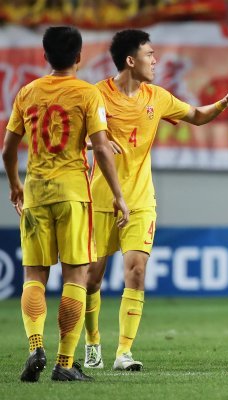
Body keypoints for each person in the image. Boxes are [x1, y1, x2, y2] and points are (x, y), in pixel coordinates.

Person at [83, 29, 228, 371]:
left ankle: (123, 352)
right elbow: (76, 135)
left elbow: (196, 116)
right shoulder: (96, 95)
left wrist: (222, 104)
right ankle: (92, 342)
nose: (156, 60)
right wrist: (91, 142)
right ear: (131, 60)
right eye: (150, 54)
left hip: (141, 200)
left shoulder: (156, 97)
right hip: (100, 199)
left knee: (136, 270)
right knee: (91, 280)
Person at [2, 26, 129, 382]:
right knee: (75, 276)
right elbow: (101, 147)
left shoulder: (27, 92)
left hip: (36, 193)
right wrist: (118, 195)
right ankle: (64, 362)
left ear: (45, 56)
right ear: (79, 57)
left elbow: (8, 149)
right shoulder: (88, 94)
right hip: (73, 194)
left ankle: (35, 345)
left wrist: (15, 185)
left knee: (34, 276)